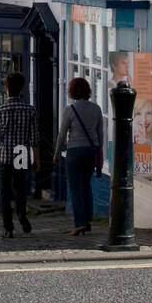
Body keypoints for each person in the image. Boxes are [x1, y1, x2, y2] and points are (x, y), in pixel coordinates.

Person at [0, 72, 38, 238]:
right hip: (21, 153)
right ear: (21, 89)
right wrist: (36, 159)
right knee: (20, 189)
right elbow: (34, 138)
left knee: (5, 192)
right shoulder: (29, 110)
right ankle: (22, 216)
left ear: (7, 89)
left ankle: (8, 227)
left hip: (4, 154)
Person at [53, 77, 103, 236]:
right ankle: (88, 221)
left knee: (74, 188)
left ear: (73, 91)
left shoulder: (70, 110)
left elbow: (61, 135)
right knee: (86, 186)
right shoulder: (96, 109)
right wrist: (98, 151)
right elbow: (100, 133)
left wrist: (56, 153)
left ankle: (79, 223)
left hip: (74, 151)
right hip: (90, 150)